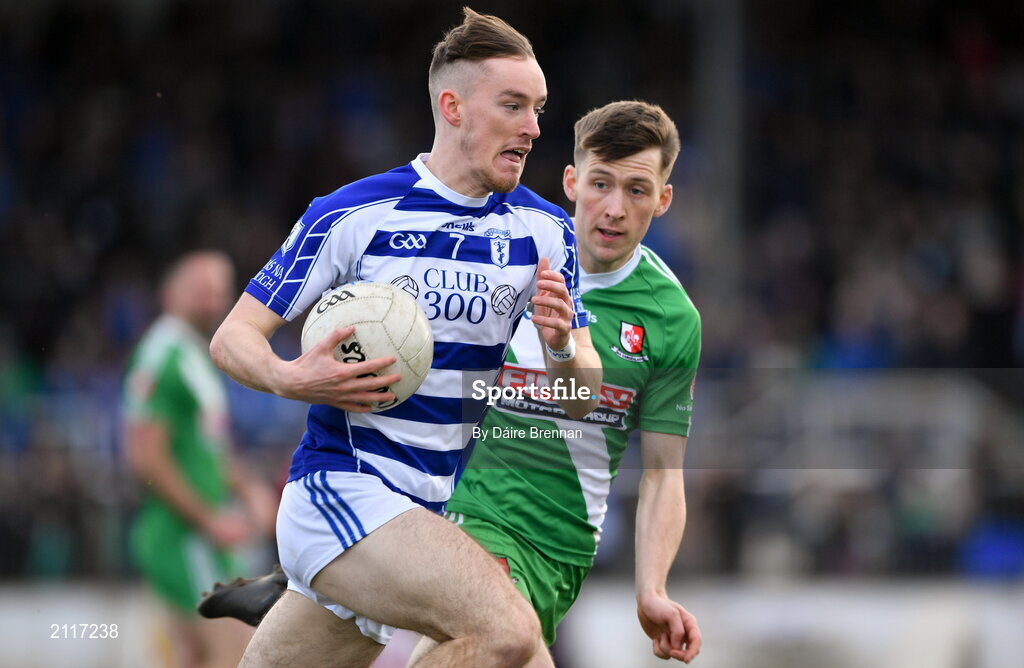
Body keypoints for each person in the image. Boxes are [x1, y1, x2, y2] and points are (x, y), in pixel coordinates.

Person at [200, 101, 703, 664]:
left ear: (662, 199)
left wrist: (652, 586)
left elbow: (663, 470)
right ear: (572, 182)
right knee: (501, 642)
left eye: (636, 190)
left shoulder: (669, 318)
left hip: (558, 546)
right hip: (462, 517)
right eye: (600, 184)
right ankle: (337, 575)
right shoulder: (501, 257)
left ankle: (309, 591)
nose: (613, 208)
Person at [207, 7, 600, 668]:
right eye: (513, 106)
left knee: (529, 661)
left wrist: (562, 345)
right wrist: (290, 375)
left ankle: (280, 597)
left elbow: (583, 398)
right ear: (452, 106)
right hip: (344, 490)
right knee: (508, 633)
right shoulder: (353, 215)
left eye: (538, 109)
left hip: (431, 515)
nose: (534, 128)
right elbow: (233, 337)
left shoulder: (545, 232)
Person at [123, 250, 278, 668]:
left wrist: (248, 487)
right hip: (185, 537)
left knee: (194, 657)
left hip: (198, 536)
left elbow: (208, 451)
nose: (212, 300)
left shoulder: (194, 355)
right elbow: (144, 456)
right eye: (200, 290)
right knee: (235, 656)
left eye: (219, 290)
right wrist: (210, 520)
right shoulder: (164, 354)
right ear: (170, 294)